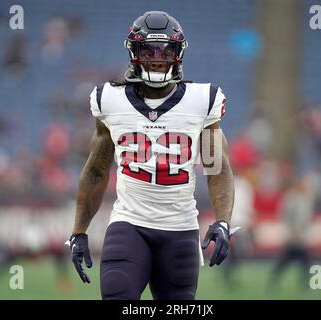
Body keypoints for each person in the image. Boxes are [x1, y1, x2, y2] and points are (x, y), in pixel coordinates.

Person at [66, 11, 236, 300]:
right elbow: (96, 170)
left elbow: (216, 168)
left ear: (178, 53)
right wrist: (79, 231)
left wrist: (223, 221)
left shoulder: (202, 100)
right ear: (134, 52)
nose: (157, 58)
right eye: (148, 50)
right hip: (129, 224)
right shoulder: (110, 99)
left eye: (166, 50)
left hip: (180, 228)